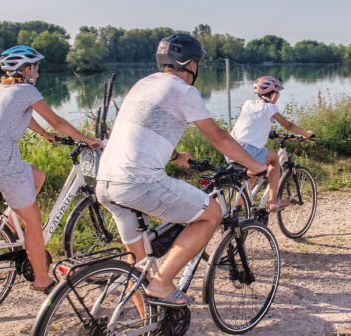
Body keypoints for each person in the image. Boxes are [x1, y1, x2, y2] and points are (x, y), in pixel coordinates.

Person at [96, 33, 267, 307]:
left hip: (106, 181)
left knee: (139, 266)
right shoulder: (184, 91)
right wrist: (255, 165)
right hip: (139, 181)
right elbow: (219, 138)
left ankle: (149, 320)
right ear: (189, 64)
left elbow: (142, 128)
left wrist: (175, 156)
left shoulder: (144, 84)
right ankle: (163, 282)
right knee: (212, 214)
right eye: (197, 62)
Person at [0, 45, 103, 293]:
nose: (38, 74)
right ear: (26, 69)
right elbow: (57, 121)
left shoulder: (1, 89)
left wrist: (44, 134)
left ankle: (9, 230)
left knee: (37, 176)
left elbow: (24, 116)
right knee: (33, 223)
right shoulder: (26, 89)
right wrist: (87, 140)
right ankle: (42, 279)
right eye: (36, 68)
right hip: (2, 162)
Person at [229, 75, 314, 211]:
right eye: (278, 94)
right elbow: (288, 125)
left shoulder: (247, 103)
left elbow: (252, 123)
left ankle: (237, 208)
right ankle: (274, 202)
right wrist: (306, 134)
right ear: (273, 94)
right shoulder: (270, 108)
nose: (278, 97)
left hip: (230, 148)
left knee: (252, 173)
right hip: (248, 150)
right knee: (274, 159)